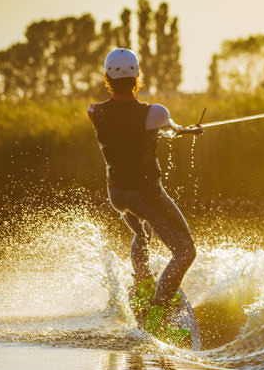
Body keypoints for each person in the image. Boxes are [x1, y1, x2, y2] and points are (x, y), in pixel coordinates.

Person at [87, 48, 203, 338]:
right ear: (137, 76)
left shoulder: (95, 112)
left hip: (117, 194)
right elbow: (169, 129)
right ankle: (157, 315)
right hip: (145, 194)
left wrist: (170, 131)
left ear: (107, 79)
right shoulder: (156, 113)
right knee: (185, 251)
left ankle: (142, 285)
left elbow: (129, 130)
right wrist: (185, 131)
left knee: (143, 231)